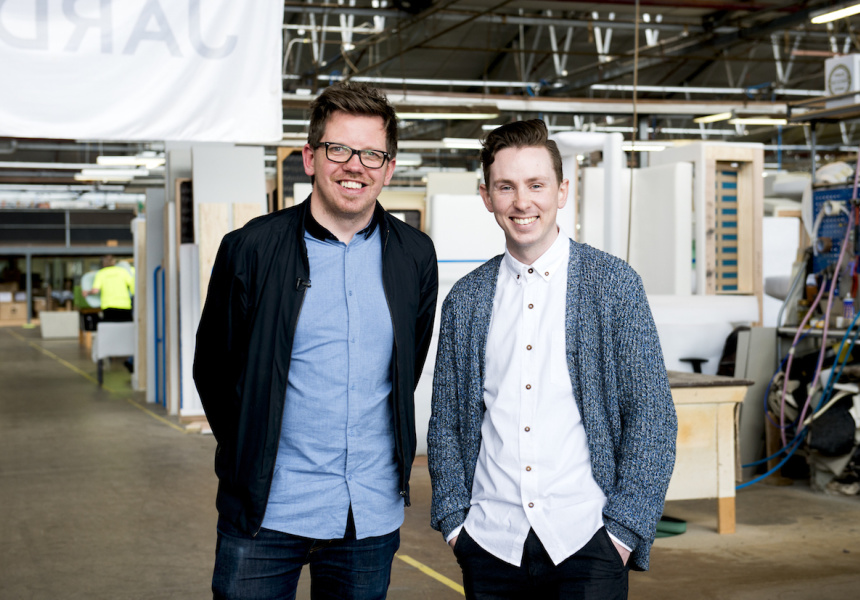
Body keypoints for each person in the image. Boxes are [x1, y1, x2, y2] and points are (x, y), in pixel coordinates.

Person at [194, 81, 438, 600]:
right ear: (310, 157)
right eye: (339, 149)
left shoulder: (414, 255)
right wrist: (247, 454)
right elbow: (213, 368)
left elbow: (406, 364)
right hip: (267, 510)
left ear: (389, 167)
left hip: (367, 514)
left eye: (373, 153)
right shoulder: (250, 249)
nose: (356, 165)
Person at [427, 120, 677, 599]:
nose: (523, 202)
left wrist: (624, 532)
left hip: (588, 541)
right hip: (489, 543)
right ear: (487, 197)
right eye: (506, 187)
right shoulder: (465, 301)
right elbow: (447, 424)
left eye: (536, 185)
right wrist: (455, 522)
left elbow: (653, 417)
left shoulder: (613, 285)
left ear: (562, 191)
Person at [84, 255, 134, 322]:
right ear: (114, 262)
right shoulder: (122, 271)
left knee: (111, 329)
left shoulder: (101, 273)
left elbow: (95, 290)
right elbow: (132, 285)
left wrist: (87, 292)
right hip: (125, 305)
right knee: (126, 328)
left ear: (104, 263)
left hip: (109, 307)